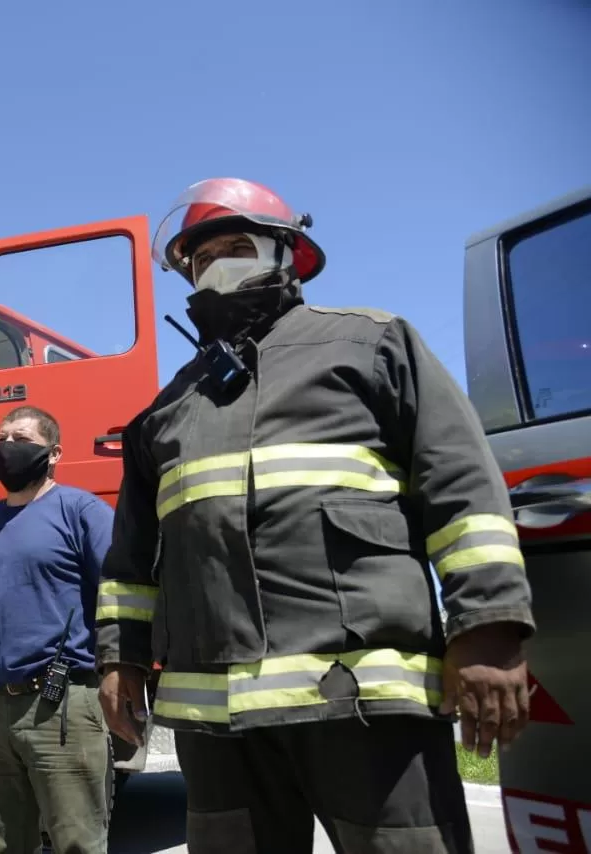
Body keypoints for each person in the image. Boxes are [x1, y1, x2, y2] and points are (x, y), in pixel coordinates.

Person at [95, 177, 535, 853]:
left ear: (286, 253)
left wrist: (489, 628)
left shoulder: (373, 346)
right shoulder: (164, 412)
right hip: (217, 727)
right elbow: (131, 560)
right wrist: (120, 658)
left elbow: (463, 490)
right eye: (201, 257)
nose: (217, 265)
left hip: (365, 706)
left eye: (236, 246)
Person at [0, 406, 115, 854]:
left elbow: (121, 594)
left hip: (61, 704)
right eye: (1, 439)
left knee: (77, 842)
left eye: (22, 439)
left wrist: (119, 670)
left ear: (54, 453)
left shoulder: (82, 511)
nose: (8, 447)